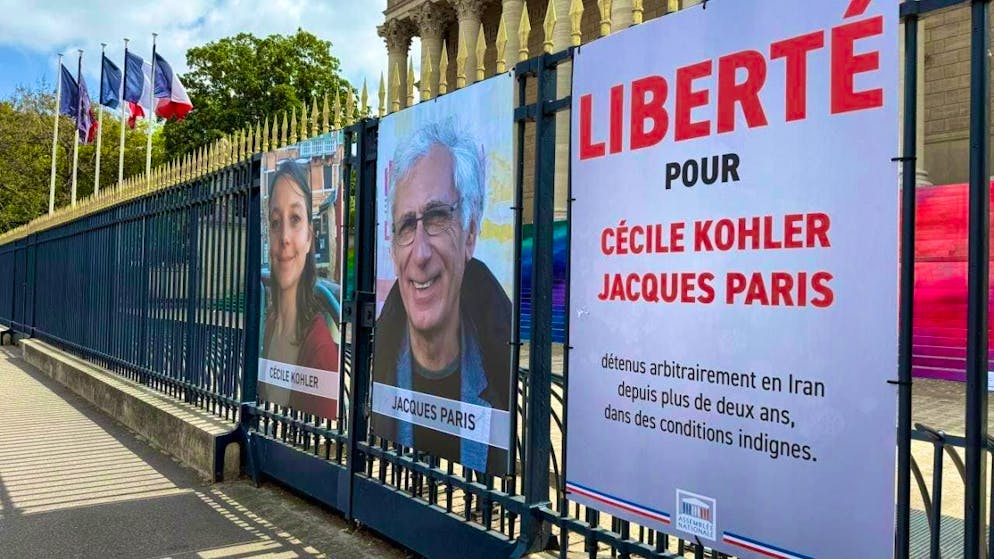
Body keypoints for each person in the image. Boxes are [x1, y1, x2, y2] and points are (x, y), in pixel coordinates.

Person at [373, 119, 512, 474]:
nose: (419, 254)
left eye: (436, 217)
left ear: (470, 234)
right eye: (407, 225)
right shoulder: (376, 375)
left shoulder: (501, 381)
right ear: (392, 248)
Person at [263, 159, 339, 373]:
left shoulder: (320, 349)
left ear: (309, 239)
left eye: (295, 219)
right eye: (276, 222)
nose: (284, 237)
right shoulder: (271, 324)